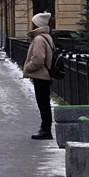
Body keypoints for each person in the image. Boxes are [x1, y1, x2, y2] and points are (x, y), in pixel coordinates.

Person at [21, 12, 55, 140]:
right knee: (44, 102)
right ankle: (45, 128)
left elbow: (38, 59)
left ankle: (46, 130)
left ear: (37, 24)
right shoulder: (47, 37)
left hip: (41, 76)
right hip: (45, 75)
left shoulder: (39, 39)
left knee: (43, 103)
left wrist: (27, 67)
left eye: (33, 22)